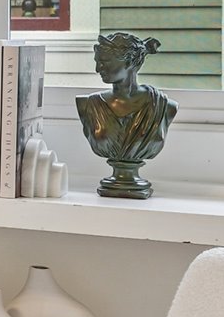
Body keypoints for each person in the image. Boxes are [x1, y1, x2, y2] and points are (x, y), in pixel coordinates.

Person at [74, 32, 177, 199]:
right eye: (97, 62)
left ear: (129, 61)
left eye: (104, 62)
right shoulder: (87, 105)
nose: (97, 69)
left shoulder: (163, 106)